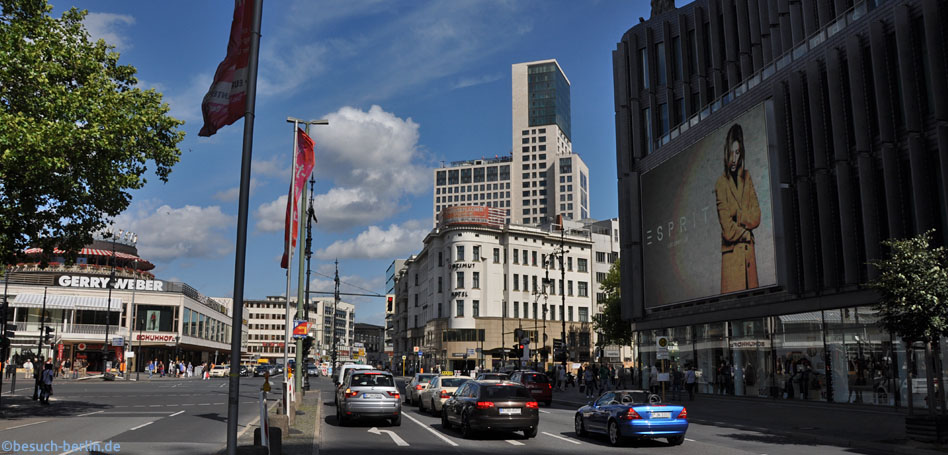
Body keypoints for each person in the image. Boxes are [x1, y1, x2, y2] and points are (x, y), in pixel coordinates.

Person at [714, 123, 762, 293]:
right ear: (726, 152)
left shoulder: (747, 178)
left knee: (756, 309)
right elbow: (727, 229)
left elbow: (756, 216)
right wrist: (746, 233)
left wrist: (738, 215)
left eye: (738, 152)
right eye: (731, 153)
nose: (734, 159)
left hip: (749, 259)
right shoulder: (721, 183)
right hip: (732, 263)